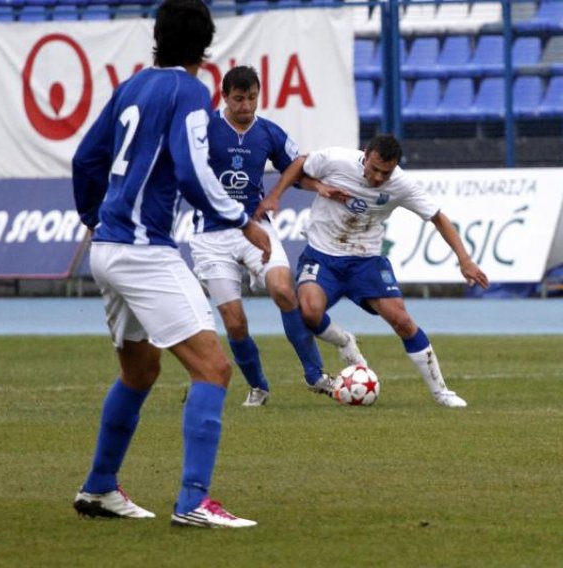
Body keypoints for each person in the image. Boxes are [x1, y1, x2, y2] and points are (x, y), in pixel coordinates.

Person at [71, 0, 272, 528]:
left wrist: (94, 214)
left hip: (109, 248)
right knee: (213, 366)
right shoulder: (190, 92)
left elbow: (85, 158)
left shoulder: (133, 85)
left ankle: (98, 488)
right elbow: (190, 170)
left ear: (157, 36)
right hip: (143, 251)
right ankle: (194, 501)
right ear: (205, 45)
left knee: (140, 371)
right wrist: (240, 218)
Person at [255, 134, 490, 407]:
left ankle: (442, 392)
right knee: (308, 311)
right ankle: (345, 342)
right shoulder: (337, 159)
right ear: (365, 155)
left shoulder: (402, 184)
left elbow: (438, 217)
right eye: (374, 169)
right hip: (322, 256)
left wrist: (465, 260)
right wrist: (280, 195)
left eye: (385, 173)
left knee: (402, 321)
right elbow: (298, 164)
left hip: (365, 261)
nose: (378, 178)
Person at [190, 65, 366, 407]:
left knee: (285, 291)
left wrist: (319, 187)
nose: (245, 106)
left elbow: (296, 167)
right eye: (238, 99)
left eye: (252, 98)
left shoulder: (268, 132)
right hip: (211, 235)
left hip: (257, 227)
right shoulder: (205, 130)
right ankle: (258, 386)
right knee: (235, 323)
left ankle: (315, 376)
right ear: (224, 97)